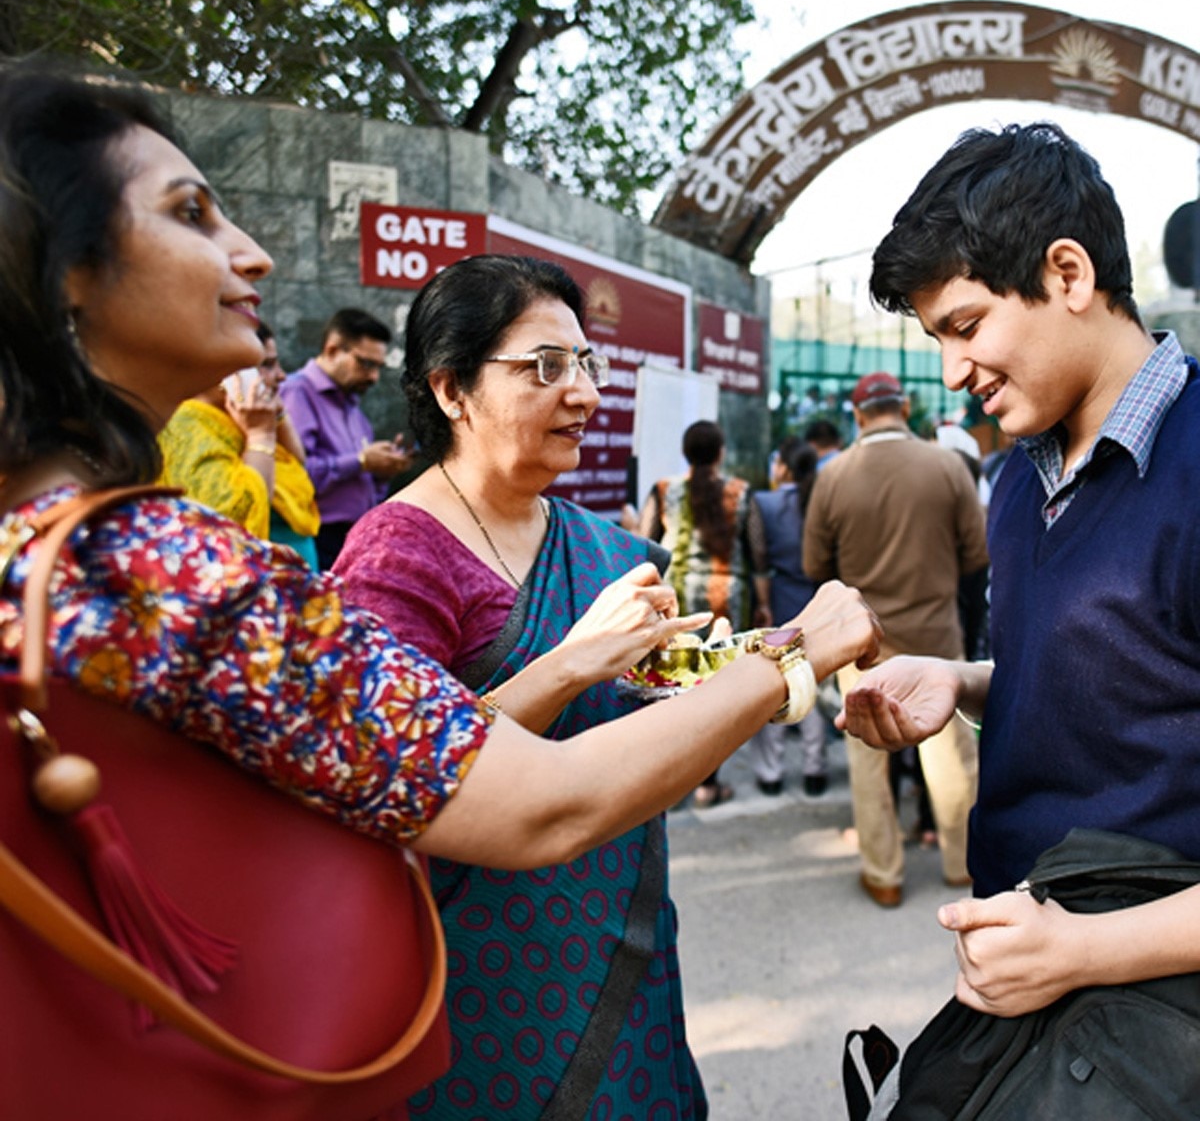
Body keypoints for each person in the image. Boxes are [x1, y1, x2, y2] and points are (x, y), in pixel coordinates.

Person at [0, 62, 881, 1116]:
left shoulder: (52, 547)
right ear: (63, 271)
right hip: (438, 1023)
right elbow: (541, 803)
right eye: (191, 213)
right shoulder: (162, 567)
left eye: (586, 364)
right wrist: (792, 658)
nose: (252, 252)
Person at [335, 254, 744, 1119]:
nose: (585, 394)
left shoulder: (607, 548)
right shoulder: (397, 556)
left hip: (622, 947)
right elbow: (394, 786)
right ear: (452, 390)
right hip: (477, 975)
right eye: (546, 367)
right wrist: (568, 664)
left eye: (586, 364)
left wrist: (732, 672)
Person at [843, 119, 1200, 1017]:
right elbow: (1134, 686)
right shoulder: (1015, 477)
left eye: (965, 326)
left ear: (1068, 275)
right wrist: (963, 681)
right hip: (1033, 1011)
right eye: (937, 339)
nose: (952, 371)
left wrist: (1084, 950)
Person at [804, 370, 988, 908]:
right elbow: (977, 552)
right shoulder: (947, 466)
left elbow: (814, 563)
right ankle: (964, 863)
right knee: (951, 757)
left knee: (868, 761)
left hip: (861, 645)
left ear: (858, 416)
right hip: (937, 633)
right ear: (905, 409)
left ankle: (883, 875)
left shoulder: (835, 476)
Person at [639, 418, 762, 808]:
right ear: (721, 453)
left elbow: (645, 546)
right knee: (718, 689)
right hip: (728, 599)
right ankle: (708, 783)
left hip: (677, 601)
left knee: (674, 684)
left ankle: (671, 781)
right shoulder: (741, 492)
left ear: (686, 453)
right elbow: (758, 551)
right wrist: (764, 603)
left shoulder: (663, 491)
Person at [158, 321, 321, 567]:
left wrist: (274, 416)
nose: (281, 375)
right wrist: (260, 435)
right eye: (267, 365)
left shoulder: (239, 417)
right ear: (226, 370)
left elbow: (297, 460)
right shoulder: (187, 425)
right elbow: (239, 516)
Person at [279, 306, 414, 568]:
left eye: (379, 367)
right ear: (332, 350)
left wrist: (382, 472)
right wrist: (362, 461)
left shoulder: (351, 405)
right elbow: (293, 476)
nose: (374, 377)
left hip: (355, 537)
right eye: (366, 364)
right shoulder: (297, 393)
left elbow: (361, 484)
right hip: (317, 537)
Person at [748, 436, 828, 796]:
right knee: (813, 682)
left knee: (775, 687)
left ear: (782, 467)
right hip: (816, 600)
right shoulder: (822, 502)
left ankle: (771, 773)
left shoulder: (764, 503)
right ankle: (815, 768)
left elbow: (758, 557)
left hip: (777, 602)